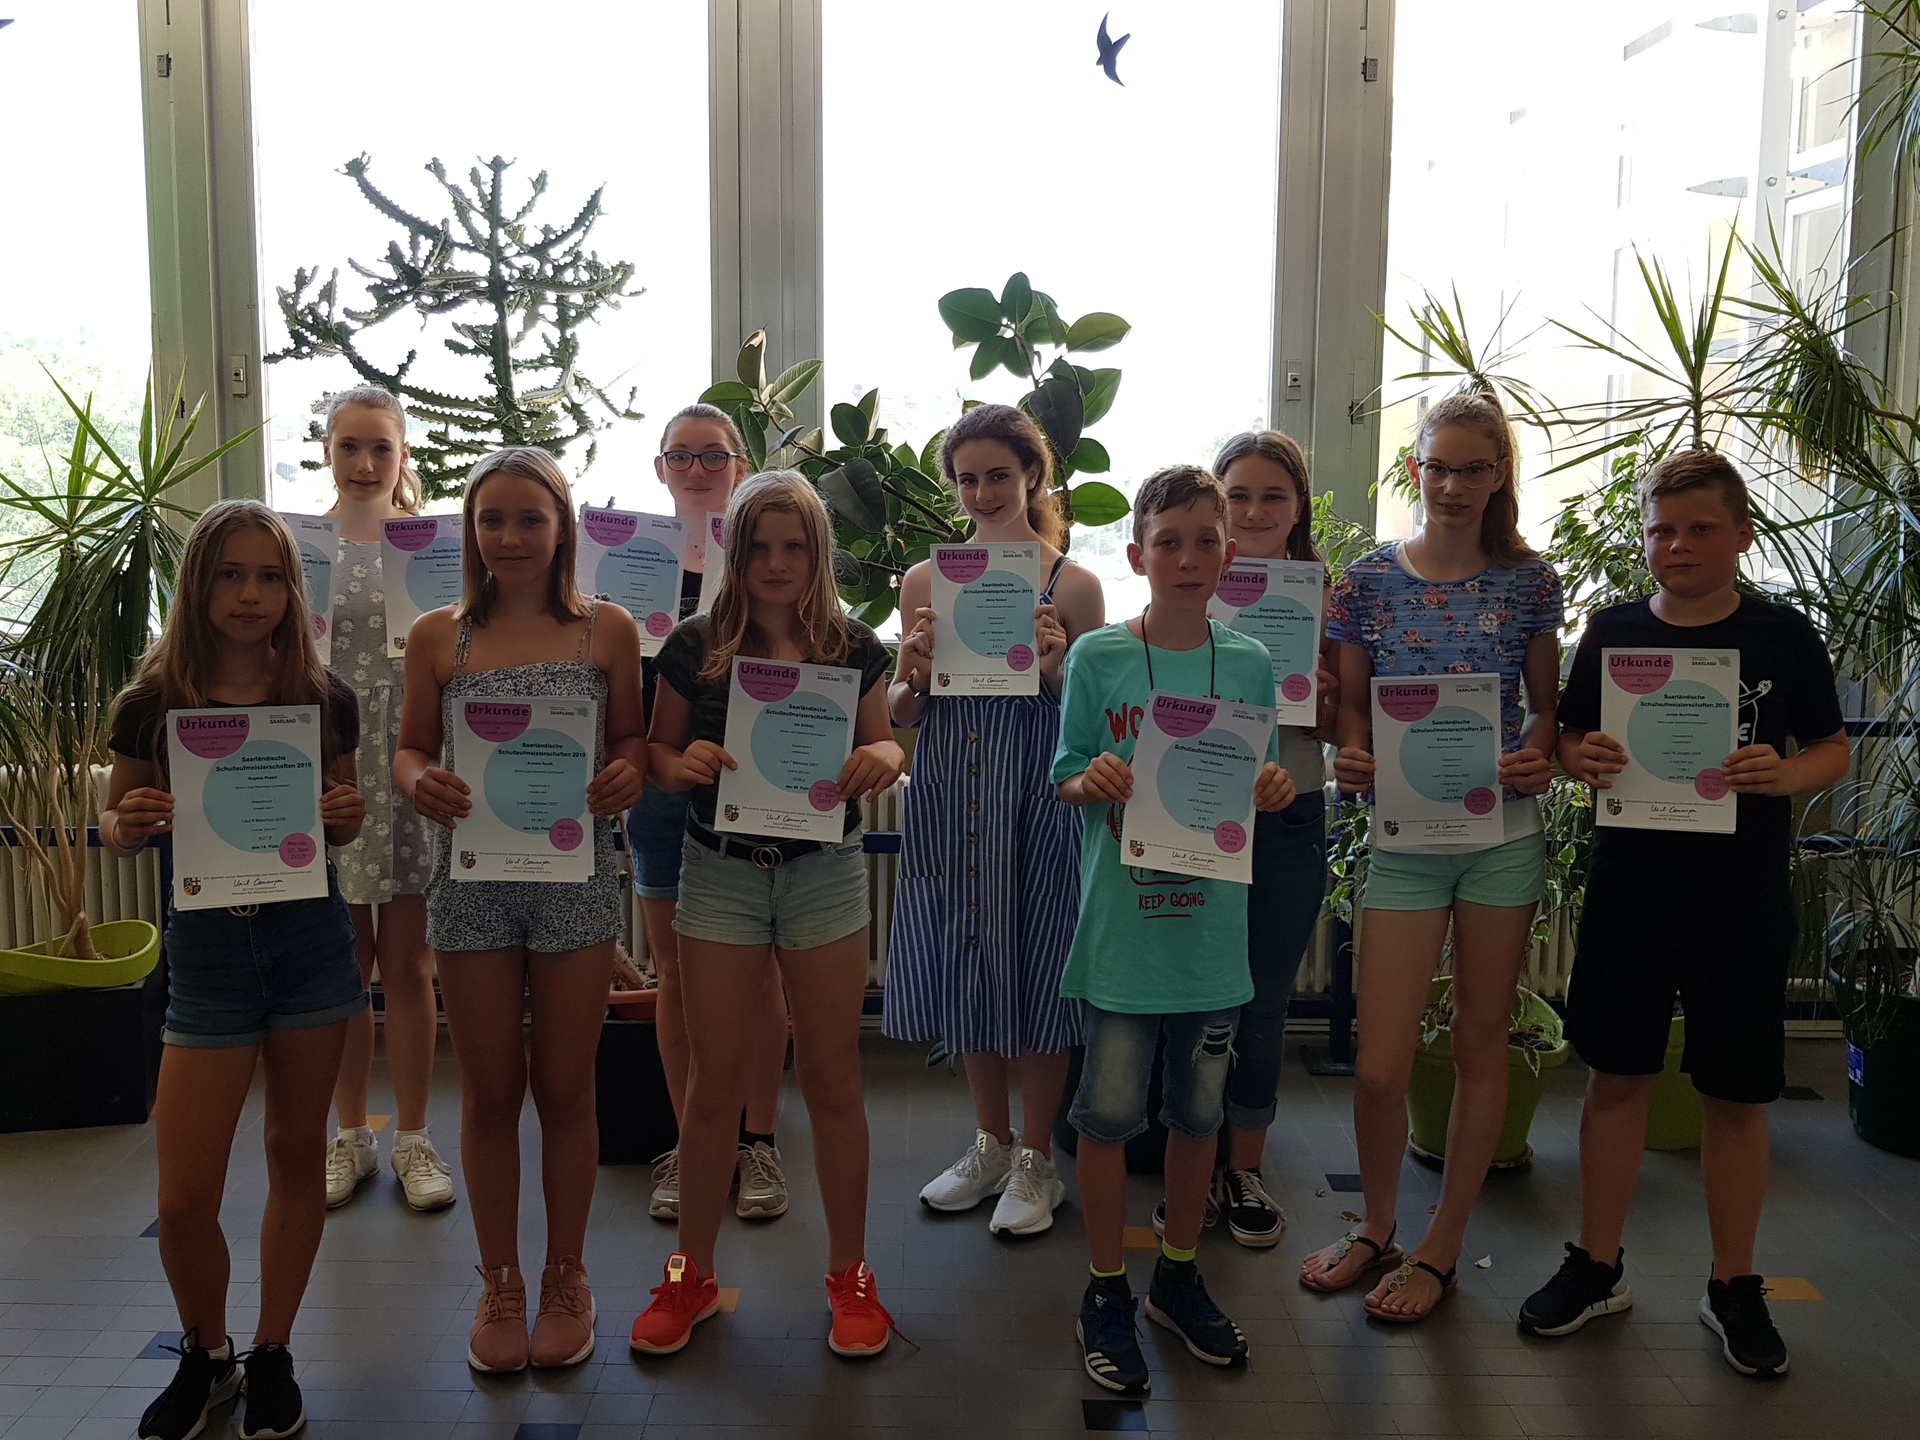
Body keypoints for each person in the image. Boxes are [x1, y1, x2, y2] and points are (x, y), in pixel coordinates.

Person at [1519, 450, 1848, 1376]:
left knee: (1735, 1097)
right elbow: (1573, 737)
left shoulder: (1784, 636)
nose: (1678, 545)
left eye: (1700, 528)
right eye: (1661, 530)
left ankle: (1733, 1284)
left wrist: (1785, 773)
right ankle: (1597, 1265)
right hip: (1632, 889)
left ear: (1741, 533)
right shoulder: (1613, 630)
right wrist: (1582, 759)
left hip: (1741, 897)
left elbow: (1832, 748)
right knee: (1615, 1077)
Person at [104, 500, 368, 1440]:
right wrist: (126, 823)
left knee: (297, 1154)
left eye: (269, 577)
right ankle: (206, 1351)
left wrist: (345, 815)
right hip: (209, 959)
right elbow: (115, 822)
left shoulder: (323, 696)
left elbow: (345, 816)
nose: (250, 595)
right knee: (183, 1197)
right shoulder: (151, 703)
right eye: (230, 575)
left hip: (309, 950)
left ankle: (272, 1350)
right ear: (197, 585)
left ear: (292, 590)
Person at [629, 470, 907, 1359]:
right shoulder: (695, 644)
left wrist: (884, 758)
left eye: (794, 547)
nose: (777, 564)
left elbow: (882, 739)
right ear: (734, 552)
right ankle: (690, 1275)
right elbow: (658, 751)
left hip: (823, 874)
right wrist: (682, 765)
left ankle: (851, 1276)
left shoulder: (855, 646)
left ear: (818, 553)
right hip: (719, 875)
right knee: (714, 1086)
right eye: (759, 547)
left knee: (832, 1081)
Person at [1300, 392, 1562, 1322]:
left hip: (1501, 839)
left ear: (1500, 475)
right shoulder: (1367, 583)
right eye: (1438, 467)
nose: (1453, 486)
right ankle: (1377, 1225)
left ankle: (1442, 1245)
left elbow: (1543, 711)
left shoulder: (1530, 583)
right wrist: (1350, 756)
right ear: (1415, 468)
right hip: (1406, 841)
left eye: (1473, 468)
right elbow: (1350, 712)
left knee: (1480, 1041)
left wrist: (1535, 752)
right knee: (1380, 1065)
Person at [394, 448, 648, 1373]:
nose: (510, 537)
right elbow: (409, 750)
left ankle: (566, 1276)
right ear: (470, 531)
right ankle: (499, 1278)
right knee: (492, 1092)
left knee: (567, 1090)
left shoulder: (607, 631)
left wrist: (625, 773)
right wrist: (419, 783)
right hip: (471, 884)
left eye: (529, 519)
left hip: (574, 882)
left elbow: (630, 738)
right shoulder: (438, 637)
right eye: (491, 519)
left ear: (562, 528)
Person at [1052, 465, 1295, 1396]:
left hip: (1209, 944)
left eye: (1204, 542)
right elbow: (1064, 773)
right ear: (1137, 554)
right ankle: (1106, 1287)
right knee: (1108, 1118)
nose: (1188, 558)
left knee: (1199, 1119)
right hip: (1123, 941)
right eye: (1169, 542)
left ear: (1227, 555)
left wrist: (1274, 786)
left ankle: (1179, 1278)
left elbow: (1259, 778)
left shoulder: (1250, 664)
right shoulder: (1098, 657)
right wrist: (1093, 779)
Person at [883, 403, 1105, 1236]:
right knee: (968, 956)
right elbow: (903, 711)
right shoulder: (924, 581)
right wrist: (912, 672)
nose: (983, 493)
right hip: (954, 790)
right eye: (968, 478)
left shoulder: (1072, 585)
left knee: (1042, 961)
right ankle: (990, 1142)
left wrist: (1056, 666)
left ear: (1033, 475)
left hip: (1038, 796)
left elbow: (1094, 720)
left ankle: (1037, 1157)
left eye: (999, 475)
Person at [627, 403, 792, 1226]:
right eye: (681, 456)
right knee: (675, 971)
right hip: (662, 787)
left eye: (714, 455)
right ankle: (695, 1140)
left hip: (762, 786)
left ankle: (756, 1139)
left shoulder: (770, 556)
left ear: (741, 464)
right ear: (659, 468)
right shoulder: (622, 561)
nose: (698, 470)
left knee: (760, 971)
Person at [317, 386, 454, 1214]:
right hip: (328, 772)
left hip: (408, 766)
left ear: (403, 455)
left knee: (408, 963)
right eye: (350, 446)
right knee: (343, 966)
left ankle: (413, 1136)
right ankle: (348, 1135)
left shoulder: (432, 545)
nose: (365, 464)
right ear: (327, 451)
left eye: (381, 447)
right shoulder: (300, 543)